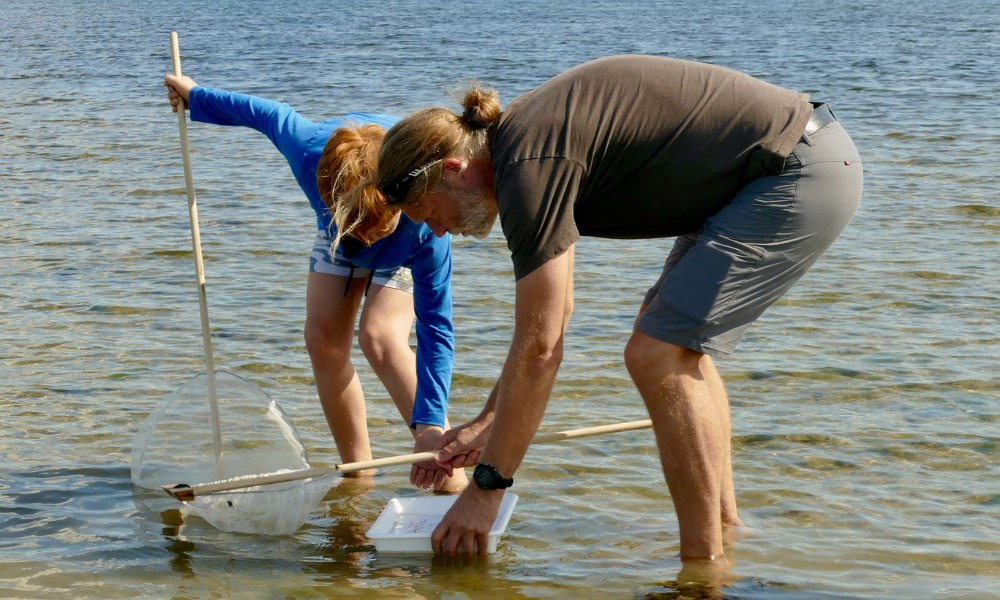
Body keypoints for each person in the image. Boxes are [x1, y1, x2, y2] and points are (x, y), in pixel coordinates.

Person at [367, 55, 862, 558]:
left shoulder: (528, 165)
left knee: (658, 353)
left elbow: (540, 350)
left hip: (792, 170)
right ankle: (724, 531)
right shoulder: (525, 148)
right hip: (773, 168)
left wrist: (485, 491)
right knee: (670, 344)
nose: (438, 231)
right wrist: (486, 423)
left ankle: (702, 574)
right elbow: (553, 320)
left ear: (454, 170)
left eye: (429, 213)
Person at [164, 74, 468, 492]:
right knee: (322, 340)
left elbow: (437, 326)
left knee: (379, 337)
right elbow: (267, 114)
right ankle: (359, 474)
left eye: (373, 232)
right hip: (336, 234)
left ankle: (446, 468)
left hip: (404, 239)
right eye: (360, 232)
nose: (367, 245)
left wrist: (431, 421)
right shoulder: (308, 150)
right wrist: (195, 97)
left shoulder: (423, 222)